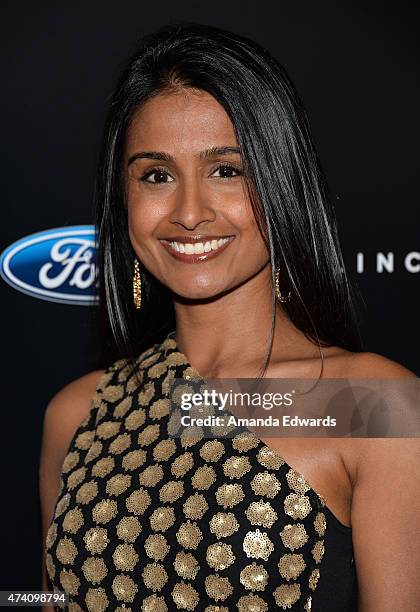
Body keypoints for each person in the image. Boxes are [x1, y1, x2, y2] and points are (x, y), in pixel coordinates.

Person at [39, 22, 420, 612]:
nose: (190, 213)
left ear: (281, 180)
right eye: (156, 175)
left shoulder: (372, 404)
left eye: (226, 170)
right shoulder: (77, 413)